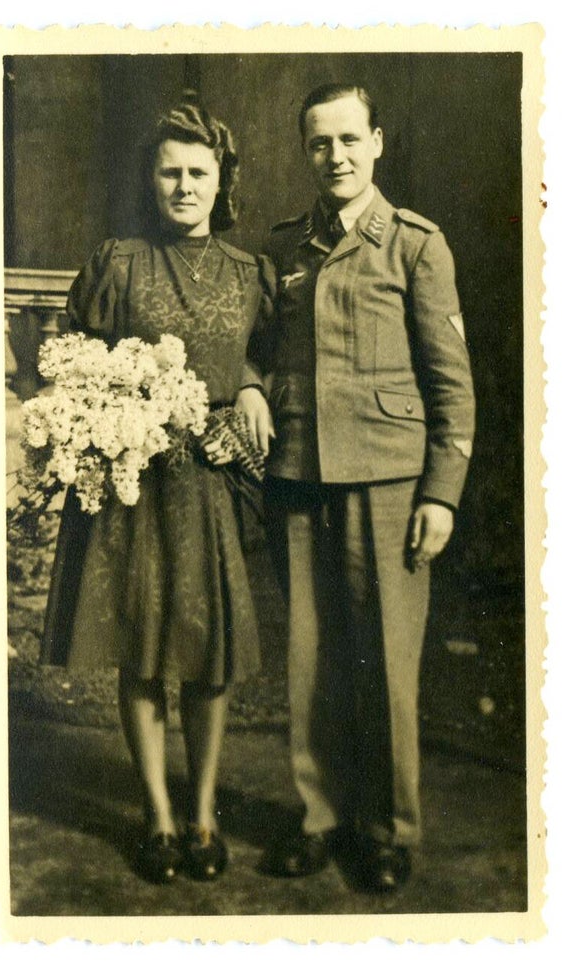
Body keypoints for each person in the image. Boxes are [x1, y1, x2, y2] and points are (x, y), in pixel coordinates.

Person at [238, 83, 475, 891]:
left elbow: (453, 383)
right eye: (318, 143)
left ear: (377, 142)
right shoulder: (282, 249)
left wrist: (441, 491)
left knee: (384, 665)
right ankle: (318, 816)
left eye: (349, 139)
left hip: (391, 483)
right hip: (299, 475)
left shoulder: (414, 243)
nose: (334, 156)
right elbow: (255, 348)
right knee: (308, 659)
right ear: (305, 152)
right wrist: (248, 385)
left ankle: (387, 828)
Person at [41, 98, 271, 884]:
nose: (183, 186)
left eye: (197, 173)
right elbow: (65, 351)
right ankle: (159, 818)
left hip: (208, 484)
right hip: (132, 487)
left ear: (221, 180)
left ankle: (203, 813)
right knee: (140, 655)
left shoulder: (249, 274)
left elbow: (271, 359)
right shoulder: (118, 262)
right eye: (169, 171)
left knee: (208, 661)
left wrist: (252, 388)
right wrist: (109, 396)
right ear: (152, 178)